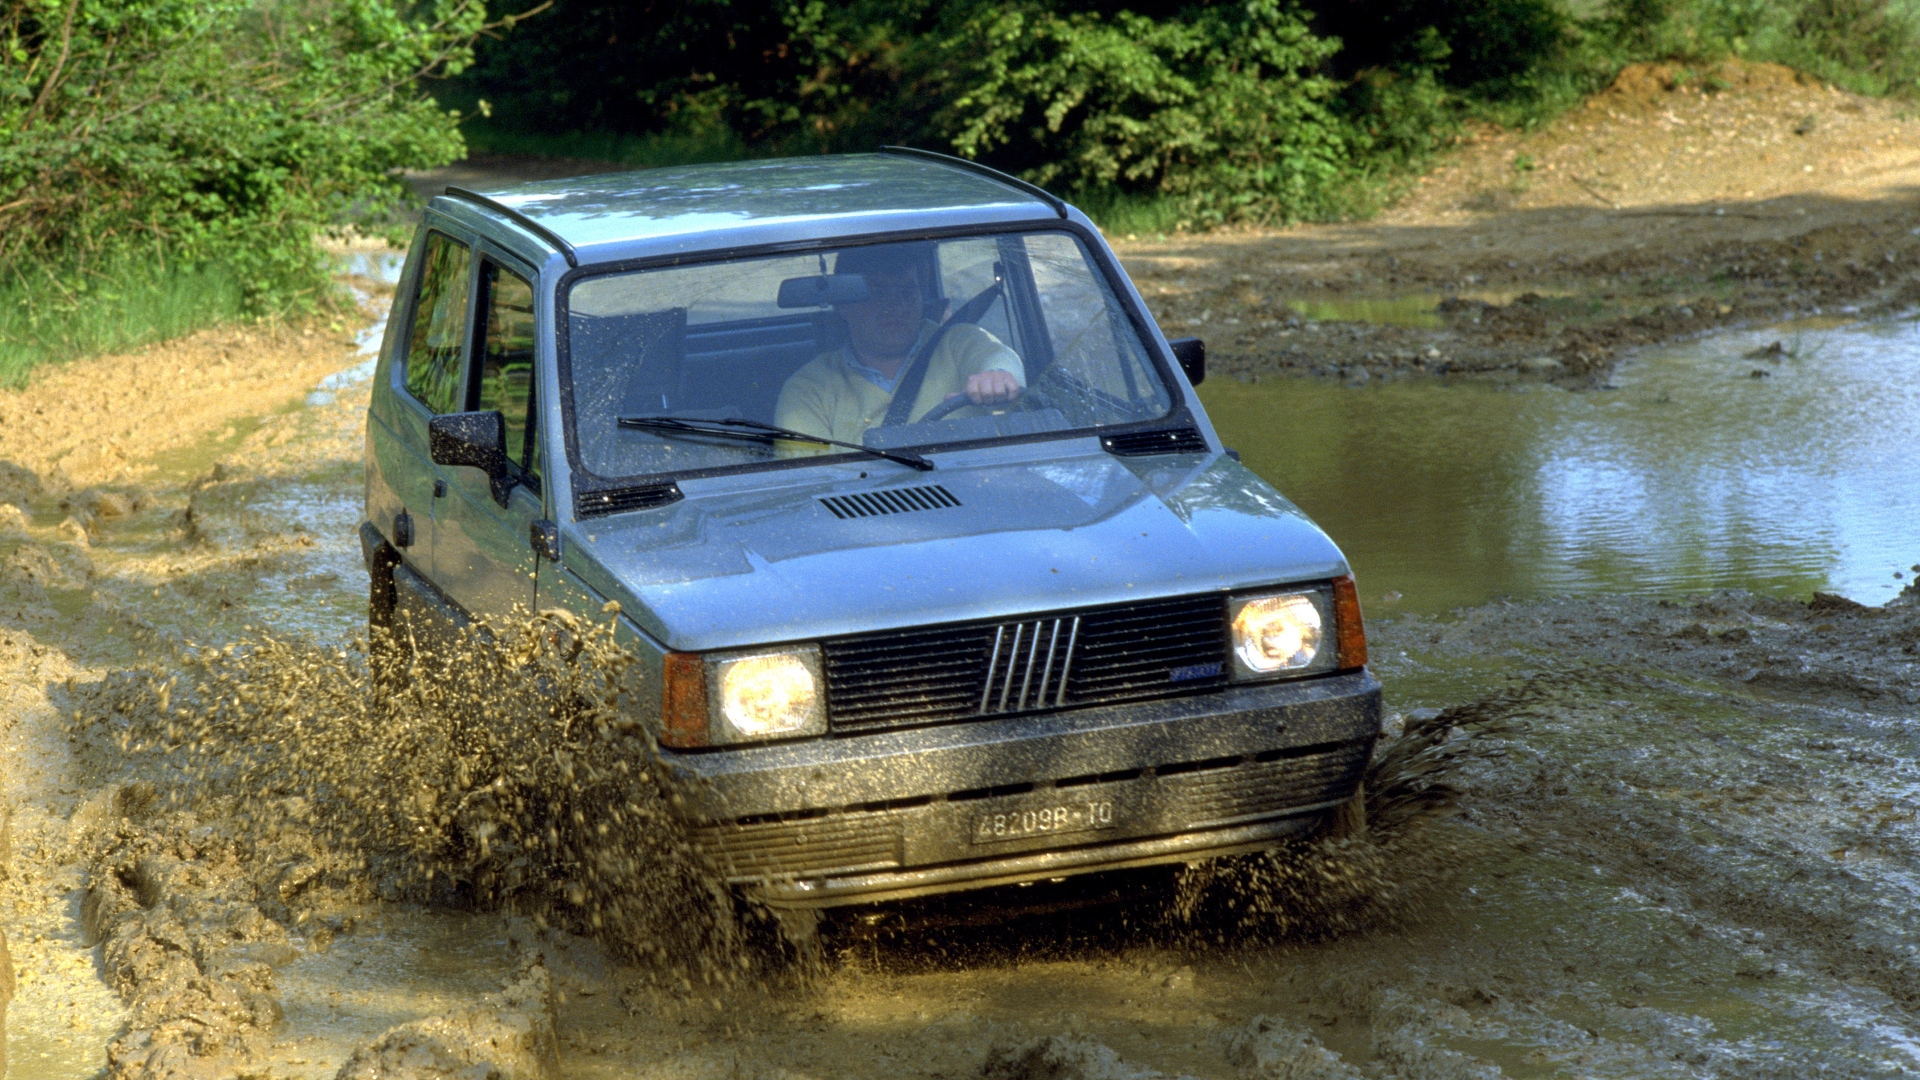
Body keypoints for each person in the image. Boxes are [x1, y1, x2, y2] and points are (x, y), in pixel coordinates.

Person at [775, 243, 1024, 445]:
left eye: (907, 292)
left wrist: (998, 376)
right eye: (878, 293)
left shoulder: (957, 342)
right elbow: (810, 486)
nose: (895, 307)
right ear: (843, 305)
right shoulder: (808, 389)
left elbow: (998, 356)